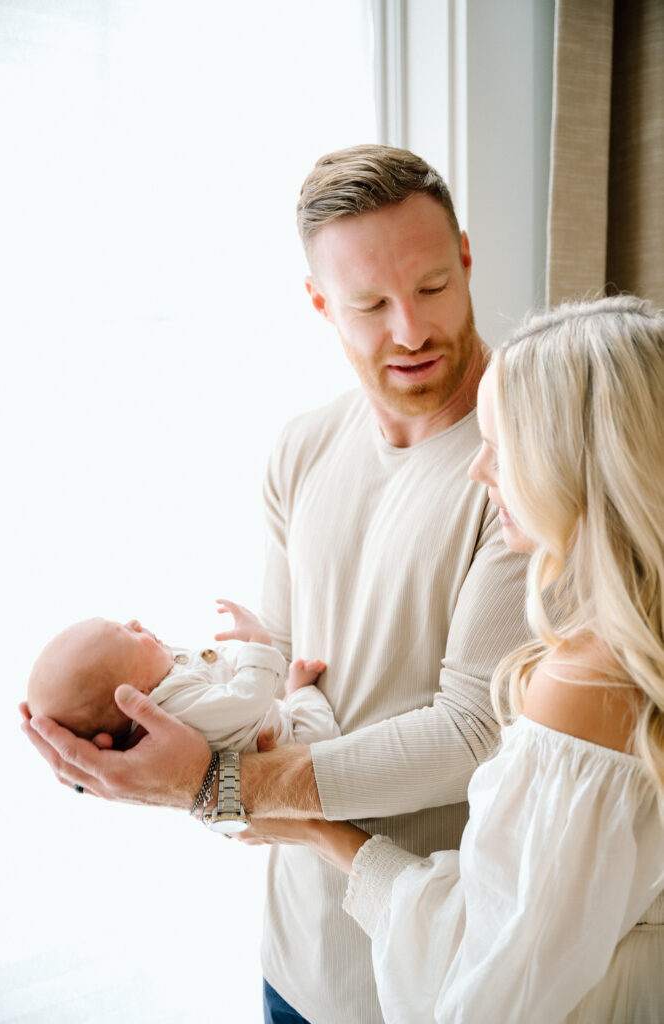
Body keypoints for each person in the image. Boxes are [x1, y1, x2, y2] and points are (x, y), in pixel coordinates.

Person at [21, 145, 529, 1023]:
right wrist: (146, 744)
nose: (409, 329)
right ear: (319, 304)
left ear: (469, 261)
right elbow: (279, 672)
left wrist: (215, 790)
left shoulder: (529, 459)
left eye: (435, 287)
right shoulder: (301, 449)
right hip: (295, 961)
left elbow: (473, 732)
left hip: (446, 971)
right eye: (369, 304)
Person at [244, 295, 664, 1023]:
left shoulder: (584, 681)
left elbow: (488, 983)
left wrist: (315, 830)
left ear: (574, 465)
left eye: (500, 449)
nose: (476, 472)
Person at [27, 600, 338, 750]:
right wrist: (259, 643)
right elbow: (246, 699)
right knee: (322, 736)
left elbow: (219, 672)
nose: (135, 622)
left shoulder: (163, 678)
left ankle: (294, 694)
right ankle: (299, 693)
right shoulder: (175, 708)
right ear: (136, 692)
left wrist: (241, 659)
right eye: (125, 633)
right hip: (293, 746)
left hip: (270, 719)